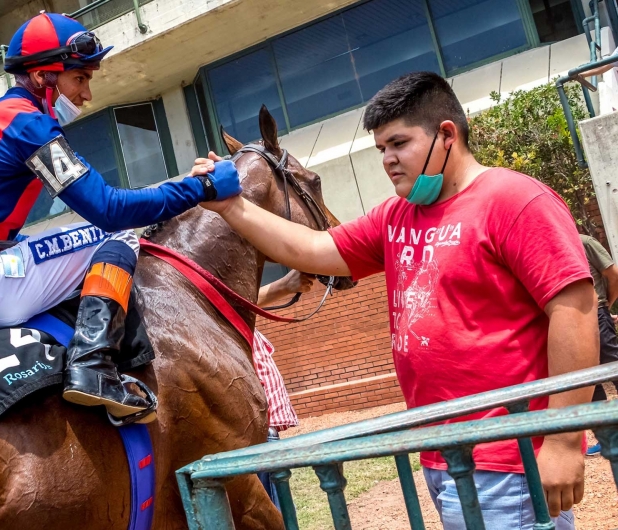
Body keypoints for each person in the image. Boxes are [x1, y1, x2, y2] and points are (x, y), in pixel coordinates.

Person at [195, 72, 598, 528]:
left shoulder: (514, 200)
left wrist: (563, 441)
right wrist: (232, 206)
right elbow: (310, 250)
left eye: (398, 143)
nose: (387, 160)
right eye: (381, 149)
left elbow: (575, 310)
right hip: (443, 455)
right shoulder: (396, 216)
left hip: (507, 454)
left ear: (446, 135)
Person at [0, 12, 240, 422]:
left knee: (53, 239)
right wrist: (200, 189)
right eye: (80, 78)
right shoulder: (27, 125)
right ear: (45, 77)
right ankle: (94, 367)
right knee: (114, 237)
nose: (86, 94)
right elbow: (109, 210)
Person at [254, 270, 312, 509]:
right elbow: (226, 298)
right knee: (273, 511)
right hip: (259, 432)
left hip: (265, 431)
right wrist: (284, 285)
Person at [579, 233, 618, 456]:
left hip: (597, 312)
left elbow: (613, 275)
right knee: (588, 375)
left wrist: (606, 305)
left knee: (613, 365)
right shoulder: (553, 245)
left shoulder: (584, 242)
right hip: (576, 319)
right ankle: (608, 438)